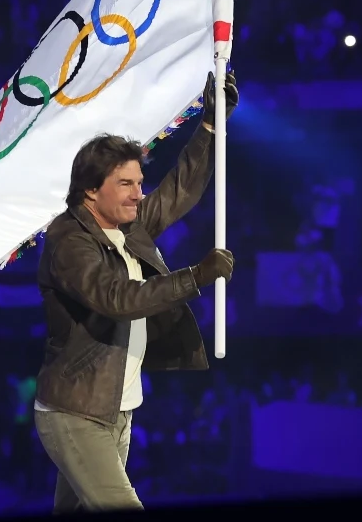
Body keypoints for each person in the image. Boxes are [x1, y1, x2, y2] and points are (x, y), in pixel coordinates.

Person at [32, 71, 239, 513]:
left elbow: (179, 189)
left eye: (138, 182)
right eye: (125, 184)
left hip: (116, 411)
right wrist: (194, 276)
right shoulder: (69, 239)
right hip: (75, 414)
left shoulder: (130, 224)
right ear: (91, 189)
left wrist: (210, 125)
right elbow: (117, 298)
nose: (138, 194)